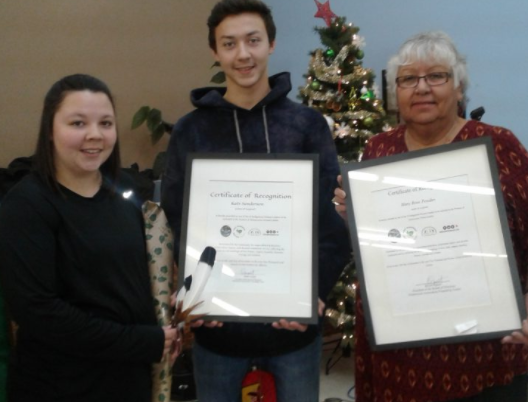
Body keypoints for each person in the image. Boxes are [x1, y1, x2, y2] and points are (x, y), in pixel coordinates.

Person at [161, 0, 350, 400]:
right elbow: (179, 219)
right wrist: (195, 293)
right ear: (215, 51)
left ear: (271, 43)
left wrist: (311, 294)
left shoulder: (306, 125)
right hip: (218, 331)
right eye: (229, 44)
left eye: (252, 40)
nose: (242, 54)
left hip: (292, 330)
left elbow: (330, 221)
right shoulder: (190, 131)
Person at [333, 31, 528, 402]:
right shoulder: (379, 149)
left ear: (458, 88)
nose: (421, 88)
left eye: (436, 75)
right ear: (395, 92)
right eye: (408, 79)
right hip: (401, 351)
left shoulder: (500, 145)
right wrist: (352, 217)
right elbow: (380, 245)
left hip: (486, 352)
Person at [0, 74, 180, 402]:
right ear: (50, 130)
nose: (95, 135)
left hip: (128, 382)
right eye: (78, 123)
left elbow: (129, 278)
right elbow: (40, 313)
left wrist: (164, 308)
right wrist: (144, 341)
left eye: (106, 123)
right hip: (61, 386)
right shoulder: (26, 205)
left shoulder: (124, 193)